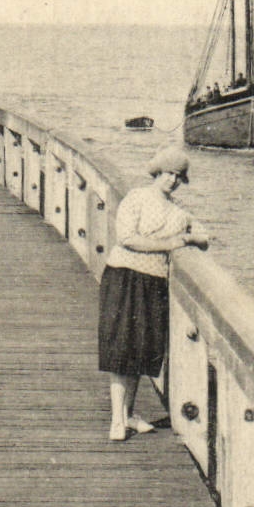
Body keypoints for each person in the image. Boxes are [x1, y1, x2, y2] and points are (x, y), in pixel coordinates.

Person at [98, 145, 210, 441]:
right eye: (168, 174)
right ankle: (117, 420)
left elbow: (205, 238)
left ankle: (129, 414)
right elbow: (127, 239)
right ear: (157, 172)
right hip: (124, 275)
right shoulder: (136, 198)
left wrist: (190, 238)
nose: (172, 180)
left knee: (138, 351)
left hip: (154, 282)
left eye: (178, 176)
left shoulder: (179, 212)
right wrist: (174, 242)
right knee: (120, 350)